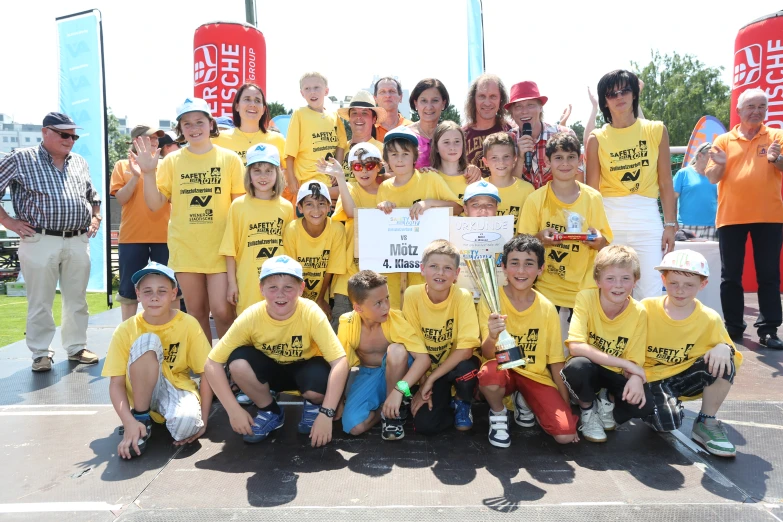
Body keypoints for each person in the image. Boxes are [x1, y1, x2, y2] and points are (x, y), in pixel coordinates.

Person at [203, 255, 348, 447]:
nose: (280, 294)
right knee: (237, 363)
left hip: (306, 370)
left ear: (301, 289)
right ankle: (270, 410)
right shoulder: (252, 316)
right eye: (273, 287)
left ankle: (315, 405)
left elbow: (340, 362)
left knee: (320, 377)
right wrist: (233, 409)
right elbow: (212, 363)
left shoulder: (311, 312)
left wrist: (327, 412)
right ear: (261, 289)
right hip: (271, 372)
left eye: (288, 287)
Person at [135, 97, 245, 344]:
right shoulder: (172, 161)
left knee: (222, 311)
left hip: (221, 248)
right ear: (180, 129)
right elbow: (154, 205)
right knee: (196, 313)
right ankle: (206, 367)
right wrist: (149, 173)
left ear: (210, 124)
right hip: (186, 248)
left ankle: (229, 365)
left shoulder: (230, 159)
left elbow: (240, 208)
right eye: (187, 124)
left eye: (199, 122)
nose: (194, 128)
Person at [0, 111, 102, 372]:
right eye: (64, 134)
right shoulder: (21, 158)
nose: (71, 139)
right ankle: (40, 354)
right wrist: (9, 223)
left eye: (74, 135)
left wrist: (96, 217)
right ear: (45, 132)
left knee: (78, 299)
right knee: (40, 301)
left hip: (78, 239)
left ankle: (77, 347)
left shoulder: (79, 161)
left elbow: (94, 196)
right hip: (39, 239)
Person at [102, 262, 213, 459]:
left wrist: (203, 419)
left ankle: (160, 417)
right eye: (147, 291)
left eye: (162, 291)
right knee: (147, 341)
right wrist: (127, 422)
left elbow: (207, 372)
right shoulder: (127, 329)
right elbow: (116, 383)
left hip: (174, 387)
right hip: (139, 391)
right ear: (138, 294)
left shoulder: (188, 323)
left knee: (188, 427)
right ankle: (140, 418)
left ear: (173, 293)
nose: (154, 297)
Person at [478, 235, 579, 448]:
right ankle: (498, 414)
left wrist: (566, 408)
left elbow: (555, 362)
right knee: (488, 375)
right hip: (502, 372)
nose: (521, 271)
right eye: (514, 263)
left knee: (565, 435)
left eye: (529, 264)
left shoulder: (546, 307)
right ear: (504, 267)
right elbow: (486, 354)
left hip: (534, 375)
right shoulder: (491, 299)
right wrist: (492, 335)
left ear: (541, 269)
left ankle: (524, 399)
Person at [642, 250, 742, 457]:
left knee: (725, 360)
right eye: (674, 283)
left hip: (683, 377)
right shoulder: (645, 309)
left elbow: (728, 351)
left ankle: (706, 421)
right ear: (663, 279)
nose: (680, 290)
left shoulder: (709, 318)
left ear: (702, 285)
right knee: (666, 423)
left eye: (689, 285)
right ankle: (657, 404)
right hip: (649, 378)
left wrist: (724, 347)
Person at [586, 69, 676, 300]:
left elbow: (666, 182)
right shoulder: (596, 138)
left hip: (647, 219)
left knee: (650, 293)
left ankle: (649, 338)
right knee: (610, 292)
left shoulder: (657, 130)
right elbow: (592, 191)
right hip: (609, 219)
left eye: (625, 90)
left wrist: (670, 225)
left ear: (635, 93)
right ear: (605, 101)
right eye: (612, 93)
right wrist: (595, 229)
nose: (619, 97)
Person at [517, 133, 611, 347]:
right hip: (547, 291)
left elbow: (605, 244)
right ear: (548, 162)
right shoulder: (535, 199)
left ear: (580, 160)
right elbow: (521, 246)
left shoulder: (593, 198)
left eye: (571, 157)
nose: (565, 163)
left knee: (579, 358)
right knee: (552, 354)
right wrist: (539, 239)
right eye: (558, 157)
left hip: (584, 291)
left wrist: (598, 241)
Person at [706, 87, 783, 348]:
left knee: (769, 274)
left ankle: (769, 329)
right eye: (751, 106)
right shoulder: (723, 141)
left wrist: (777, 159)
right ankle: (733, 328)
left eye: (762, 106)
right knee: (731, 276)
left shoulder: (776, 136)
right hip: (731, 217)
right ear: (738, 111)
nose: (756, 111)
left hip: (769, 216)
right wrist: (720, 163)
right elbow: (713, 177)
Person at [561, 245, 654, 443]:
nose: (618, 285)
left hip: (615, 373)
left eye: (625, 278)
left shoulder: (639, 312)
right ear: (598, 281)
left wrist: (635, 376)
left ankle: (607, 400)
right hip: (590, 369)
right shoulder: (586, 297)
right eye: (610, 278)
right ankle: (587, 410)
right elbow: (575, 346)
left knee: (644, 405)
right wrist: (627, 365)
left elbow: (634, 360)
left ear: (635, 281)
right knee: (577, 366)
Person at [338, 270, 431, 440]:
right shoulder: (347, 323)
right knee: (354, 427)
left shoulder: (395, 320)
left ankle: (392, 416)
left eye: (387, 298)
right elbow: (341, 364)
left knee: (397, 350)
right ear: (358, 308)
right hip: (368, 374)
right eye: (378, 303)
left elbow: (424, 360)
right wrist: (335, 403)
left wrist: (398, 390)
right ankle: (385, 409)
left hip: (398, 379)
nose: (386, 306)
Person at [376, 126, 462, 305]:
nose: (400, 160)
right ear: (386, 159)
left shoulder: (430, 179)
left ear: (415, 156)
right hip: (393, 273)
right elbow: (381, 231)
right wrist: (383, 208)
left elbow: (458, 208)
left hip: (425, 275)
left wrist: (429, 203)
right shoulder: (384, 188)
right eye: (394, 154)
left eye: (405, 154)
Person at [402, 240, 481, 434]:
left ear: (456, 274)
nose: (440, 273)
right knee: (425, 426)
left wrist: (431, 380)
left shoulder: (462, 296)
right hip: (426, 372)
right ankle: (447, 403)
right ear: (422, 269)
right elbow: (414, 345)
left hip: (452, 369)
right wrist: (423, 385)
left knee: (467, 367)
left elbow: (466, 349)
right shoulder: (412, 294)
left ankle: (463, 402)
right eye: (434, 267)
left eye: (447, 268)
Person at [111, 124, 180, 322]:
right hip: (132, 237)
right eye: (150, 138)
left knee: (173, 287)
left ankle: (175, 332)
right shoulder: (122, 166)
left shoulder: (168, 164)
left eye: (157, 138)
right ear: (136, 141)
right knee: (128, 290)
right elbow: (121, 199)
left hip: (166, 236)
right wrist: (135, 176)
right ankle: (128, 334)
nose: (155, 142)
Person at [220, 143, 294, 316]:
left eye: (269, 170)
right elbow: (230, 250)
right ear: (249, 175)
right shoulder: (238, 206)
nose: (263, 176)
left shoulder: (286, 207)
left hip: (279, 280)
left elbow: (290, 248)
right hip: (248, 281)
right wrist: (232, 283)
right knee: (250, 328)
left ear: (278, 173)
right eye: (257, 170)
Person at [318, 143, 383, 330]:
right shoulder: (350, 189)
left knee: (375, 331)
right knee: (341, 328)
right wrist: (340, 178)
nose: (363, 171)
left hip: (378, 276)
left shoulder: (387, 190)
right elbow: (351, 211)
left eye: (369, 166)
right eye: (357, 166)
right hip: (348, 276)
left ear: (379, 167)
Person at [283, 181, 346, 320]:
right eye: (309, 204)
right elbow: (291, 271)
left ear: (330, 206)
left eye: (321, 204)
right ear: (299, 207)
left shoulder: (336, 229)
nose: (316, 210)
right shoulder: (292, 230)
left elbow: (331, 268)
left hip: (324, 294)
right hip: (297, 294)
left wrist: (320, 298)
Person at [284, 72, 348, 200]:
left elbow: (341, 146)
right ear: (302, 93)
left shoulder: (334, 116)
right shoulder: (299, 114)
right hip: (307, 179)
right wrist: (291, 179)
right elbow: (290, 153)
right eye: (307, 88)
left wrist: (337, 169)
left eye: (317, 87)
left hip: (329, 178)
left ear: (326, 91)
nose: (312, 92)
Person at [505, 81, 579, 189]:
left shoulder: (564, 134)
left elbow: (577, 178)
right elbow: (508, 186)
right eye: (518, 107)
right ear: (512, 113)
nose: (525, 111)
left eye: (530, 105)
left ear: (541, 108)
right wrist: (520, 158)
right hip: (523, 204)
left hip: (558, 203)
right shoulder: (507, 141)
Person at [213, 82, 286, 168]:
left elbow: (288, 174)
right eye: (247, 99)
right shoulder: (218, 140)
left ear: (263, 109)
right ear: (237, 106)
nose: (252, 104)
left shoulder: (278, 140)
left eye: (257, 101)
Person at [482, 132, 534, 229]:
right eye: (494, 158)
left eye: (506, 156)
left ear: (515, 158)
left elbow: (530, 228)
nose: (501, 162)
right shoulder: (478, 188)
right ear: (485, 162)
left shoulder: (527, 190)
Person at [462, 74, 511, 176]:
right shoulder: (460, 136)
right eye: (482, 96)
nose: (487, 103)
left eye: (493, 96)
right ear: (473, 99)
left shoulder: (510, 132)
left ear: (501, 99)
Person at [338, 90, 386, 184]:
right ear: (349, 119)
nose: (359, 117)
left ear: (374, 119)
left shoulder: (383, 151)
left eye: (364, 113)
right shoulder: (340, 149)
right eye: (354, 113)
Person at [673, 142, 718, 240]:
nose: (714, 159)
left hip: (711, 227)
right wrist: (673, 221)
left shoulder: (715, 176)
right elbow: (672, 199)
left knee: (710, 255)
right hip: (686, 227)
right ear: (700, 155)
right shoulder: (683, 174)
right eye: (711, 156)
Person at [407, 78, 450, 169]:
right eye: (424, 101)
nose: (429, 107)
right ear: (416, 104)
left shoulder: (451, 135)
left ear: (443, 103)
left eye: (435, 100)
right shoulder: (404, 135)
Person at [432, 121, 470, 204]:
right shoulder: (428, 178)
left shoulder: (473, 178)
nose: (452, 147)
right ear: (436, 147)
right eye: (446, 142)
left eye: (457, 141)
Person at [374, 77, 412, 142]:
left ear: (401, 97)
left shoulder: (411, 128)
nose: (388, 95)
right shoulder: (369, 130)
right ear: (375, 98)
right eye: (382, 92)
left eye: (392, 91)